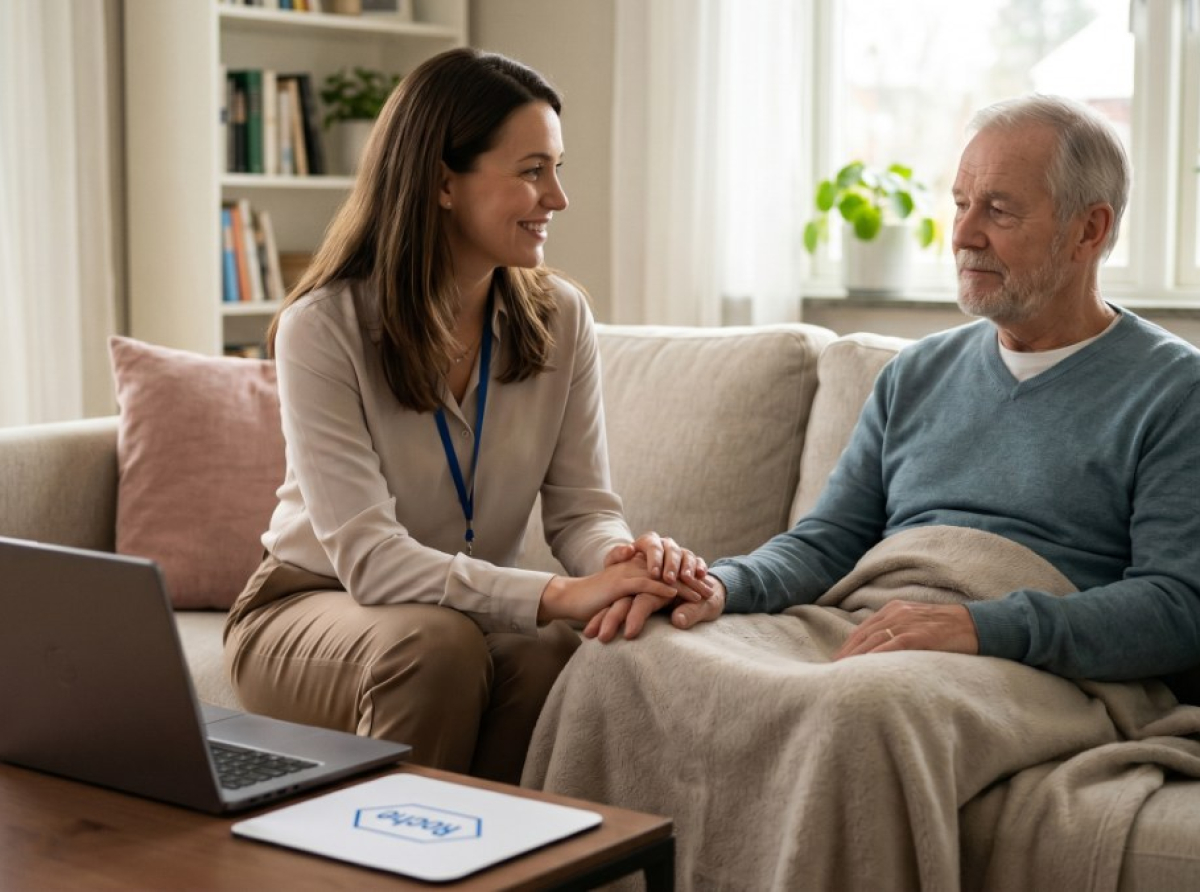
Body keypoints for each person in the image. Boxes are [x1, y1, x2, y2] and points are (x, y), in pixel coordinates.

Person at [530, 94, 1200, 889]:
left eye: (998, 210)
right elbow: (826, 545)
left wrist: (978, 627)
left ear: (1089, 230)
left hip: (1038, 663)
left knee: (859, 710)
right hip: (875, 620)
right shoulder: (917, 374)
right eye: (959, 203)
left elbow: (1176, 606)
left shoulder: (1174, 390)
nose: (963, 234)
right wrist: (718, 585)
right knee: (621, 658)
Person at [223, 47, 711, 785]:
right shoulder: (323, 327)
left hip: (454, 613)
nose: (558, 198)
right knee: (438, 647)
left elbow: (581, 511)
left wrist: (621, 563)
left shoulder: (561, 318)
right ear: (443, 182)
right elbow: (369, 559)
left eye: (557, 167)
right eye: (531, 170)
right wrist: (553, 594)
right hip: (309, 606)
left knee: (548, 652)